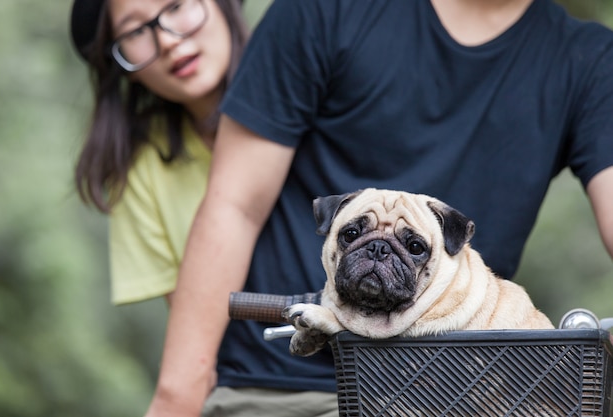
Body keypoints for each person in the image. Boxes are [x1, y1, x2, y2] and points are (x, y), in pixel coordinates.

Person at [143, 0, 613, 416]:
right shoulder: (323, 9)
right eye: (355, 235)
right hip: (287, 387)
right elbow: (234, 205)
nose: (381, 253)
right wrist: (177, 396)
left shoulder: (589, 61)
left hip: (463, 391)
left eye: (409, 246)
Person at [69, 0, 248, 305]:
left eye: (177, 6)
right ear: (124, 66)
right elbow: (193, 324)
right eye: (135, 30)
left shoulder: (321, 89)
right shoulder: (139, 170)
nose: (167, 41)